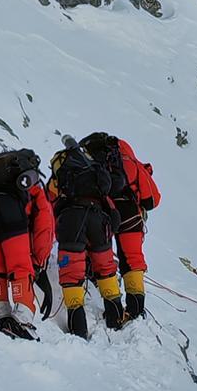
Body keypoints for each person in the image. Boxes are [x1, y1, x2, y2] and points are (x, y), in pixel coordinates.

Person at [0, 149, 54, 339]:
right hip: (12, 212)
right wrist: (39, 261)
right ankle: (23, 318)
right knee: (20, 266)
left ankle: (0, 312)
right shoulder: (30, 183)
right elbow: (44, 223)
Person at [79, 133, 161, 319]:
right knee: (132, 258)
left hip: (102, 211)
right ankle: (135, 309)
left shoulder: (90, 161)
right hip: (129, 211)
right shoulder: (128, 159)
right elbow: (152, 199)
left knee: (102, 256)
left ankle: (112, 308)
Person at [48, 138, 123, 338]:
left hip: (71, 218)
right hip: (99, 218)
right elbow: (110, 203)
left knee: (71, 274)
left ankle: (78, 329)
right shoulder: (94, 168)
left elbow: (51, 196)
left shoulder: (63, 168)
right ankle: (116, 318)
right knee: (105, 268)